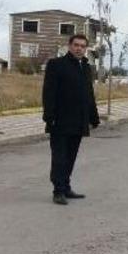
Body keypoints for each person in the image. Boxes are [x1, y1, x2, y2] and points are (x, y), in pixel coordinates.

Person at [42, 34, 100, 205]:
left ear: (86, 49)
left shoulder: (86, 67)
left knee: (70, 157)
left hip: (79, 121)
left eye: (82, 46)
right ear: (69, 46)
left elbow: (89, 95)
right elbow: (48, 92)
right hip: (60, 120)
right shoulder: (56, 65)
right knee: (59, 158)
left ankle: (66, 187)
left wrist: (94, 117)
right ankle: (58, 191)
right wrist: (49, 117)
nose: (79, 48)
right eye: (76, 45)